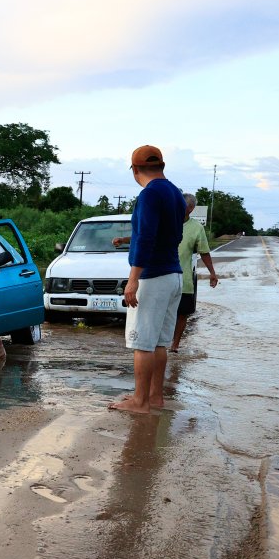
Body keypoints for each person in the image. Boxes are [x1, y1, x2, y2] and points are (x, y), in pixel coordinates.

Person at [110, 145, 186, 414]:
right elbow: (168, 234)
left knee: (142, 342)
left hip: (152, 277)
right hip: (174, 274)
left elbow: (147, 238)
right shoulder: (175, 193)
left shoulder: (149, 194)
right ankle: (155, 397)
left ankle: (139, 402)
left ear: (135, 170)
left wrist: (133, 280)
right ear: (162, 166)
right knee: (159, 342)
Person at [171, 193, 218, 353]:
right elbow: (143, 236)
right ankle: (160, 343)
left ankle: (175, 346)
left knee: (182, 314)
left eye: (181, 205)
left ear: (190, 209)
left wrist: (212, 272)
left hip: (184, 279)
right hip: (163, 277)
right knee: (162, 313)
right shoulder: (165, 222)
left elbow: (204, 252)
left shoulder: (196, 228)